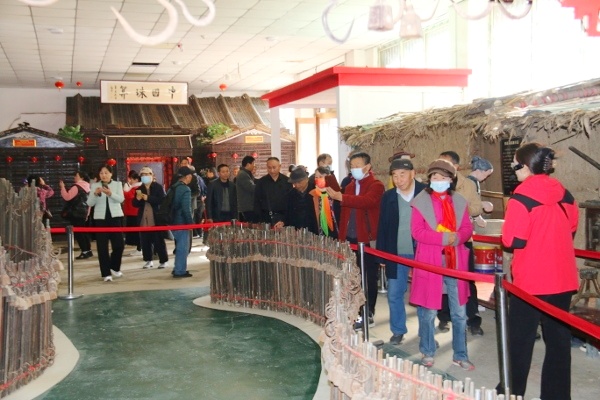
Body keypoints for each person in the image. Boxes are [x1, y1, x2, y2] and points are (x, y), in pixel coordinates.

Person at [496, 143, 578, 399]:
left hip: (531, 281)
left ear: (525, 167)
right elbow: (572, 227)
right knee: (558, 341)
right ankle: (556, 395)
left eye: (515, 165)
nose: (514, 169)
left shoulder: (521, 198)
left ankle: (511, 391)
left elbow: (513, 240)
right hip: (563, 278)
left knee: (520, 340)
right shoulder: (565, 194)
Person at [410, 159, 474, 370]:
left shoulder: (460, 201)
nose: (439, 181)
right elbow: (417, 232)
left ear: (451, 180)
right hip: (430, 260)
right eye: (435, 177)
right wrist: (443, 238)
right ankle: (427, 351)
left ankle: (460, 354)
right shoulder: (421, 201)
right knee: (428, 311)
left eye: (443, 177)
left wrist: (457, 238)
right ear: (430, 179)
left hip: (456, 261)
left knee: (459, 312)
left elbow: (467, 228)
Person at [326, 152, 384, 330]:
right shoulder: (350, 186)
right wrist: (341, 238)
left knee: (368, 277)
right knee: (352, 277)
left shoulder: (376, 185)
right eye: (352, 166)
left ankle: (368, 312)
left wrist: (341, 197)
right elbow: (344, 214)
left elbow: (366, 201)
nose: (354, 169)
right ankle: (354, 311)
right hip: (350, 240)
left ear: (368, 167)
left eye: (358, 165)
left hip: (366, 240)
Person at [376, 159, 426, 345]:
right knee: (394, 293)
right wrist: (382, 254)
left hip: (421, 252)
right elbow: (382, 226)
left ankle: (426, 333)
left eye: (402, 175)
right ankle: (398, 330)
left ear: (413, 173)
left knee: (423, 294)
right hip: (396, 252)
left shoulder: (425, 193)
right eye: (395, 176)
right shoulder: (388, 197)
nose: (398, 179)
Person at [437, 150, 484, 336]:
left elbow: (477, 207)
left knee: (467, 279)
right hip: (442, 239)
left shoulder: (468, 185)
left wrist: (458, 207)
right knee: (442, 279)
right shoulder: (434, 184)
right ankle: (444, 316)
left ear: (456, 166)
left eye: (447, 163)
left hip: (463, 239)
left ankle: (473, 319)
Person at [86, 165, 125, 282]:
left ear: (111, 174)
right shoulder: (95, 185)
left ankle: (114, 267)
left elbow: (121, 199)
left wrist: (110, 194)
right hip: (100, 219)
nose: (104, 175)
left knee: (119, 245)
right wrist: (95, 194)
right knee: (102, 247)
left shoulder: (117, 184)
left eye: (106, 172)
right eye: (101, 173)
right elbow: (89, 203)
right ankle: (106, 273)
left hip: (115, 218)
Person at [133, 166, 169, 269]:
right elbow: (134, 204)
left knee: (159, 241)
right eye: (142, 174)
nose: (144, 176)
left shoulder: (158, 187)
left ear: (152, 175)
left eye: (147, 174)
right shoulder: (139, 189)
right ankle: (148, 260)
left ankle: (163, 261)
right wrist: (137, 199)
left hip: (155, 217)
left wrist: (148, 198)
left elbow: (162, 200)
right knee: (145, 241)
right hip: (143, 218)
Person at [59, 170, 92, 259]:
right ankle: (88, 250)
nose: (74, 177)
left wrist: (62, 187)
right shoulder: (88, 187)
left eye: (76, 176)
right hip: (84, 213)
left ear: (82, 177)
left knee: (79, 233)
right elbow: (89, 203)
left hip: (76, 213)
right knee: (84, 232)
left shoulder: (76, 187)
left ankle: (84, 251)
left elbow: (67, 197)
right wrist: (87, 214)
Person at [170, 166, 195, 278]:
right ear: (188, 176)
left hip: (172, 220)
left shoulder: (173, 187)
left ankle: (177, 268)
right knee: (182, 247)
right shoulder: (185, 189)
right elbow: (186, 208)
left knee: (179, 245)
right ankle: (180, 270)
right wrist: (190, 223)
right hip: (181, 222)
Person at [254, 157, 291, 227]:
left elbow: (290, 203)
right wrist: (259, 220)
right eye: (269, 168)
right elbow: (257, 202)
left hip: (283, 218)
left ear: (279, 166)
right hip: (266, 219)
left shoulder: (287, 181)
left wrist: (284, 220)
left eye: (274, 167)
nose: (272, 170)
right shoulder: (261, 182)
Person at [285, 167, 318, 234]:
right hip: (297, 231)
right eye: (294, 183)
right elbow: (288, 214)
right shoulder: (290, 195)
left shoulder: (315, 191)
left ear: (306, 179)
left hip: (314, 229)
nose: (297, 185)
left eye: (299, 182)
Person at [309, 166, 338, 237]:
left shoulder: (335, 193)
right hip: (319, 231)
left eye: (321, 177)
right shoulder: (312, 194)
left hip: (335, 229)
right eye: (316, 177)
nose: (318, 179)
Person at [468, 156, 495, 225]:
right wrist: (484, 204)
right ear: (478, 171)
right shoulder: (470, 182)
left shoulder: (473, 181)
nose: (485, 178)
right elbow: (469, 202)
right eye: (486, 175)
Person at [123, 170, 143, 257]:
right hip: (132, 212)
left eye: (131, 179)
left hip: (135, 212)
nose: (130, 181)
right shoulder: (134, 187)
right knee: (135, 232)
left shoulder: (137, 188)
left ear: (136, 180)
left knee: (137, 232)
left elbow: (129, 196)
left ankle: (139, 248)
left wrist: (123, 191)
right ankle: (139, 248)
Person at [236, 155, 257, 223]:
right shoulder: (243, 174)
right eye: (253, 164)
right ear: (248, 164)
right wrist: (261, 186)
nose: (254, 166)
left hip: (248, 206)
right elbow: (251, 187)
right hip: (246, 207)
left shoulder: (246, 173)